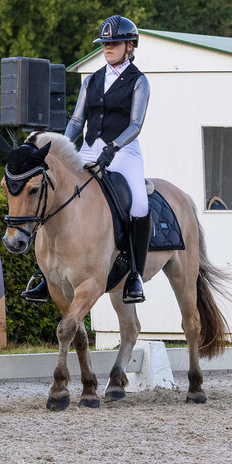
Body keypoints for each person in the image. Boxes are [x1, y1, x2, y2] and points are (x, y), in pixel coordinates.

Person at [22, 15, 152, 305]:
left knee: (140, 204)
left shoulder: (139, 81)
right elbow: (78, 119)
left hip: (123, 150)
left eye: (114, 43)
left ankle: (135, 275)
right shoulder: (92, 79)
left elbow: (135, 124)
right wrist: (62, 147)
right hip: (89, 146)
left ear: (130, 46)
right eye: (105, 43)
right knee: (56, 190)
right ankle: (45, 274)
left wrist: (114, 147)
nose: (108, 48)